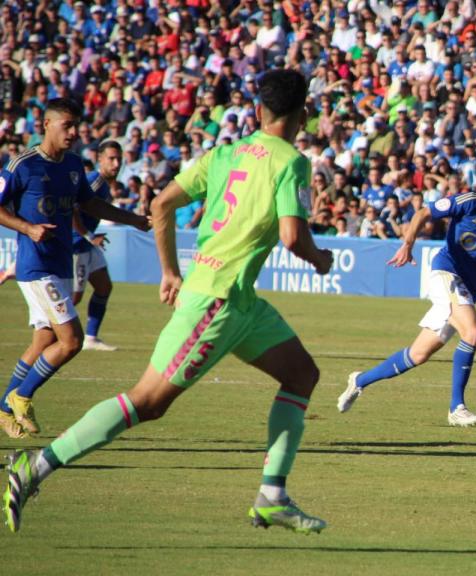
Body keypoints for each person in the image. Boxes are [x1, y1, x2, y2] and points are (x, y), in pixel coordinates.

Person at [3, 70, 335, 535]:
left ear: (259, 111)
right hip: (217, 304)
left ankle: (272, 497)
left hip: (238, 300)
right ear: (303, 116)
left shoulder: (223, 153)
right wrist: (321, 259)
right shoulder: (292, 162)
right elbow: (292, 237)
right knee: (147, 402)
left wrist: (170, 271)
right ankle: (32, 467)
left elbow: (161, 205)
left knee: (302, 374)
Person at [337, 160, 476, 426]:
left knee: (418, 354)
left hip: (467, 289)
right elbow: (422, 213)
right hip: (446, 273)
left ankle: (359, 380)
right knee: (473, 332)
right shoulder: (470, 201)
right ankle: (457, 407)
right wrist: (408, 244)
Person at [0, 99, 150, 440]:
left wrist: (134, 220)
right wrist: (28, 228)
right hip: (36, 266)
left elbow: (90, 203)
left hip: (60, 263)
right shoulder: (22, 165)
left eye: (76, 126)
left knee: (45, 340)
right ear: (46, 125)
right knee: (72, 341)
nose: (74, 132)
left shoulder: (72, 165)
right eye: (67, 125)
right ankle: (20, 396)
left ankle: (4, 409)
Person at [70, 140, 124, 351]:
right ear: (99, 159)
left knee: (104, 287)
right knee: (73, 299)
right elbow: (72, 208)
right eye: (111, 158)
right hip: (77, 244)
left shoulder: (104, 184)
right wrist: (89, 235)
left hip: (87, 243)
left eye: (119, 158)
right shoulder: (94, 180)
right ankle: (46, 330)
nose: (116, 163)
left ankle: (90, 338)